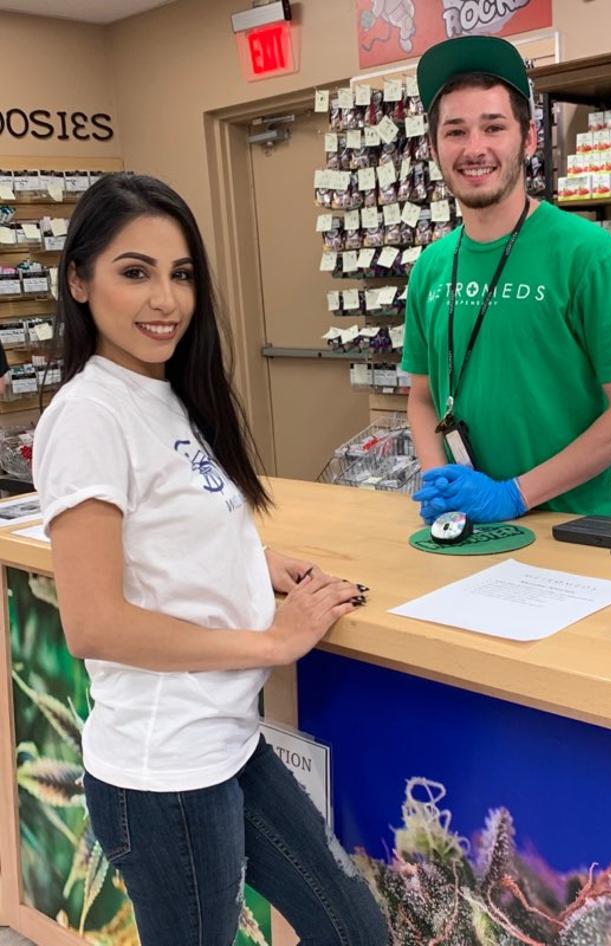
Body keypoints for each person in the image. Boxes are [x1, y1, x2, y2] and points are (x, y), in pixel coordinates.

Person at [32, 173, 388, 946]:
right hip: (165, 775)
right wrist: (273, 641)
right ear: (79, 280)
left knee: (355, 929)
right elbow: (94, 624)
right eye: (136, 272)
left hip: (226, 739)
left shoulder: (162, 392)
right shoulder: (89, 416)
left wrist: (253, 560)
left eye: (182, 274)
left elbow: (166, 532)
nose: (166, 299)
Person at [403, 35, 611, 525]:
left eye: (494, 127)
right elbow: (421, 396)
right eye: (455, 131)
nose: (474, 149)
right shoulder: (431, 268)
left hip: (569, 531)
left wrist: (514, 495)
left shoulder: (588, 255)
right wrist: (438, 478)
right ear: (434, 147)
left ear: (528, 138)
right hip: (466, 528)